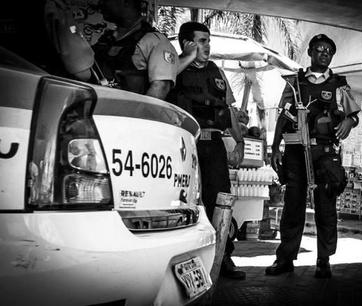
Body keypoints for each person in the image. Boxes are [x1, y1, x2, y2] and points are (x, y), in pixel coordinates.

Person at [266, 34, 360, 278]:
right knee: (292, 206)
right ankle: (285, 259)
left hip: (326, 152)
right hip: (296, 151)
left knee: (325, 207)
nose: (324, 52)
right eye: (319, 49)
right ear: (309, 52)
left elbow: (353, 114)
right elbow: (282, 116)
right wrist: (275, 148)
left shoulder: (339, 84)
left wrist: (349, 121)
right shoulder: (295, 82)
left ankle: (324, 259)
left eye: (329, 50)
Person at [166, 22, 246, 280]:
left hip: (213, 145)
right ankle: (180, 258)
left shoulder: (216, 71)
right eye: (200, 41)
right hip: (183, 145)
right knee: (184, 201)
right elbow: (162, 86)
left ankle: (224, 257)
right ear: (186, 43)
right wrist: (186, 58)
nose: (207, 46)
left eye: (208, 40)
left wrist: (239, 141)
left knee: (220, 199)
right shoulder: (173, 66)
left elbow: (229, 109)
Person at [46, 0, 191, 100]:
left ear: (126, 2)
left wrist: (135, 121)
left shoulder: (154, 41)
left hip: (125, 121)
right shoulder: (108, 38)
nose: (101, 3)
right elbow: (87, 72)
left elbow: (160, 87)